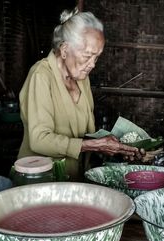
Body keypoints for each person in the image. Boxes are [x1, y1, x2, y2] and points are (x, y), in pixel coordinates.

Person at [17, 7, 142, 181]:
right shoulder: (40, 75)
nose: (92, 64)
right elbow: (39, 140)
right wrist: (95, 145)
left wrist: (114, 147)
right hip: (40, 181)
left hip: (74, 180)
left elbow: (85, 135)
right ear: (65, 49)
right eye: (87, 56)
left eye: (96, 57)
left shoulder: (82, 78)